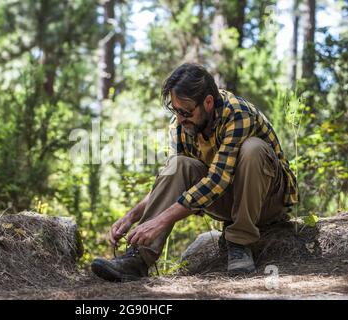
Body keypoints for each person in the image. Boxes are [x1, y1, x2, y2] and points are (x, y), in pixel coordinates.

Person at [91, 63, 299, 281]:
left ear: (208, 102)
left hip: (268, 200)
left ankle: (240, 242)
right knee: (178, 165)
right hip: (227, 199)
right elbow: (171, 180)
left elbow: (217, 180)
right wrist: (132, 216)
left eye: (185, 112)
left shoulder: (238, 114)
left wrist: (161, 221)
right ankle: (138, 259)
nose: (180, 118)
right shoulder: (181, 125)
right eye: (175, 110)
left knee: (253, 149)